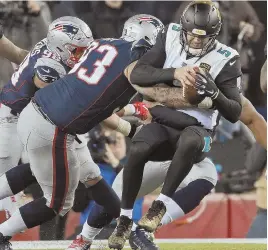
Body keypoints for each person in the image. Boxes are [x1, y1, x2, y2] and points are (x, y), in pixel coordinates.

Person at [0, 14, 164, 249]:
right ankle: (2, 234)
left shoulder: (101, 44)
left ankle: (100, 233)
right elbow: (93, 105)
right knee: (55, 202)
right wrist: (133, 122)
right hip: (42, 123)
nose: (80, 55)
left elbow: (94, 102)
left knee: (90, 176)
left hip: (48, 121)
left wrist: (130, 121)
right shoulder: (55, 66)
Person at [109, 1, 243, 249]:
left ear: (215, 35)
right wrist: (174, 73)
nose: (195, 42)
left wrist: (215, 95)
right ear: (182, 28)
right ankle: (124, 219)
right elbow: (138, 74)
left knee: (191, 142)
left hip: (197, 130)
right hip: (165, 121)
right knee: (138, 148)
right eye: (191, 35)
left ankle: (160, 205)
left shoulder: (226, 58)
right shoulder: (169, 35)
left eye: (202, 38)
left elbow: (235, 112)